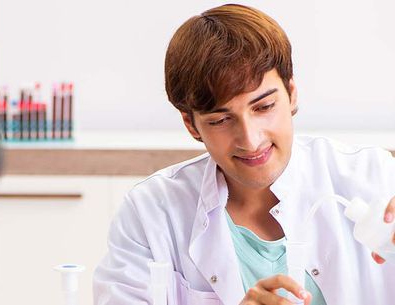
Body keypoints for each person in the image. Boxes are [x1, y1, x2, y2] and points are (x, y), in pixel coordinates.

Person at [93, 4, 395, 305]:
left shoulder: (374, 176)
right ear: (192, 124)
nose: (250, 140)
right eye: (221, 120)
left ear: (291, 94)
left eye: (264, 107)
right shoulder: (152, 213)